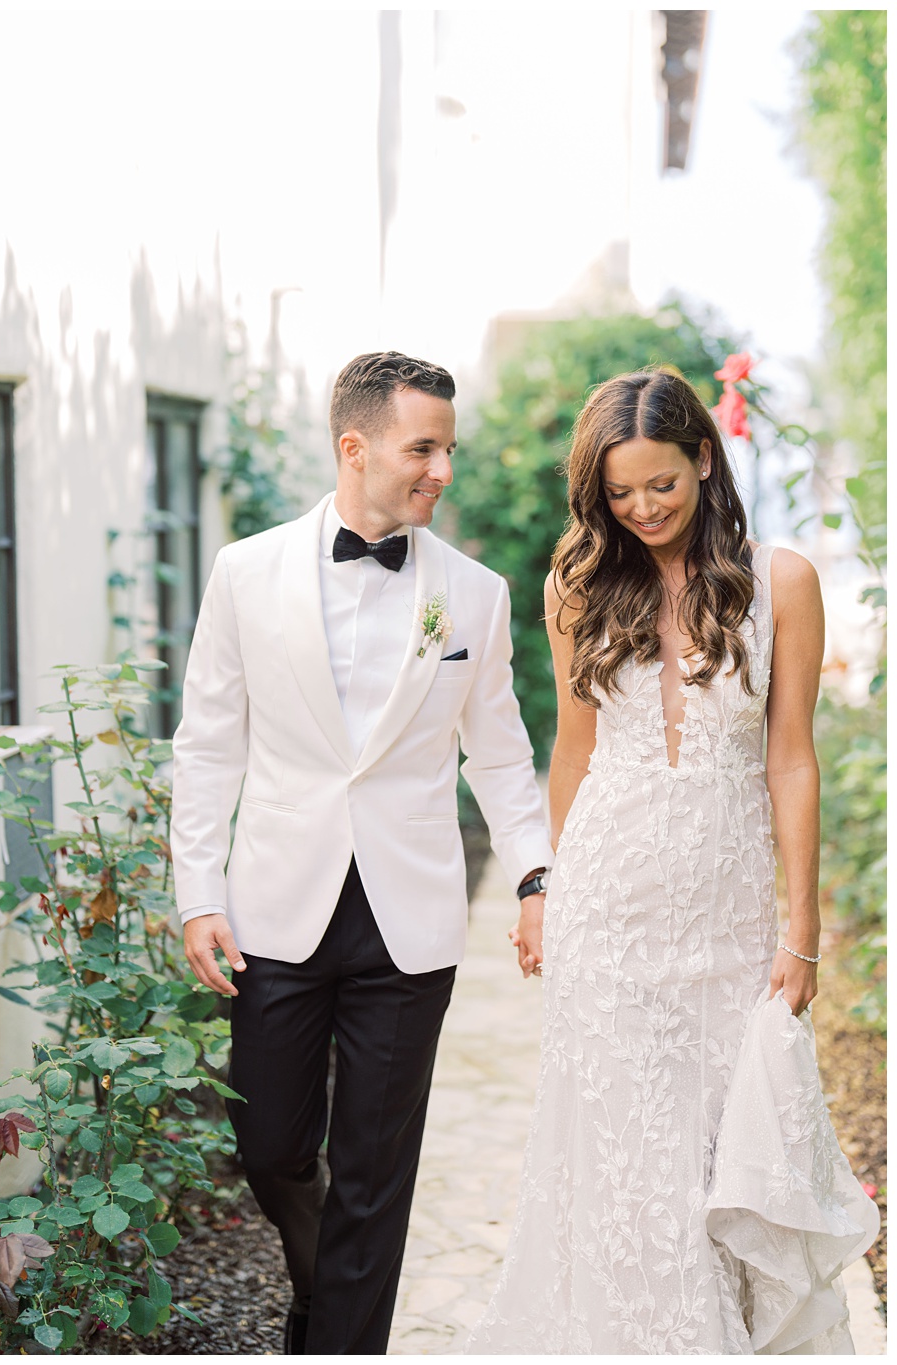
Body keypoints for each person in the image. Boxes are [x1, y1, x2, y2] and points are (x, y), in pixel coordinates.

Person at [467, 369, 877, 1352]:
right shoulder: (576, 585)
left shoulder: (780, 583)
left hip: (727, 921)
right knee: (625, 1158)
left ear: (702, 458)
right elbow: (570, 752)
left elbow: (790, 761)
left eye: (660, 484)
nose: (641, 508)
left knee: (714, 1152)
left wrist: (803, 931)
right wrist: (540, 891)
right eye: (618, 493)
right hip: (603, 906)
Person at [170, 351, 555, 1354]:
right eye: (420, 448)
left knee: (374, 1177)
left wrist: (533, 874)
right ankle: (319, 1285)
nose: (441, 470)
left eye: (446, 450)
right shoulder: (243, 574)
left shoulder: (471, 596)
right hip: (273, 909)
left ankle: (337, 1340)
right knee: (269, 1149)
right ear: (353, 446)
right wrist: (194, 894)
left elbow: (501, 752)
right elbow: (208, 744)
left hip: (407, 921)